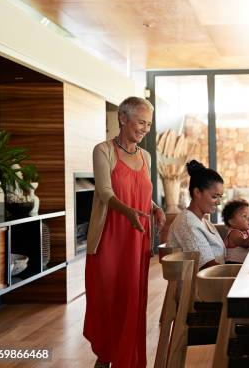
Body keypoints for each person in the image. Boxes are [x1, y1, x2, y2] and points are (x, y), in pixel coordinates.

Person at [83, 97, 166, 368]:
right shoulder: (103, 150)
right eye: (141, 122)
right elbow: (105, 192)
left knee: (131, 300)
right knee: (108, 299)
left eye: (149, 124)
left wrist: (155, 208)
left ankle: (123, 360)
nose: (145, 129)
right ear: (122, 118)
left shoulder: (146, 156)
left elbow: (141, 192)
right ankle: (105, 357)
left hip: (136, 238)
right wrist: (128, 211)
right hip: (110, 238)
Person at [167, 160, 226, 270]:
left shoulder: (202, 220)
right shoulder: (188, 223)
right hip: (199, 286)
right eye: (214, 196)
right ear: (197, 192)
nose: (218, 202)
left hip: (213, 281)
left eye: (220, 197)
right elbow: (209, 267)